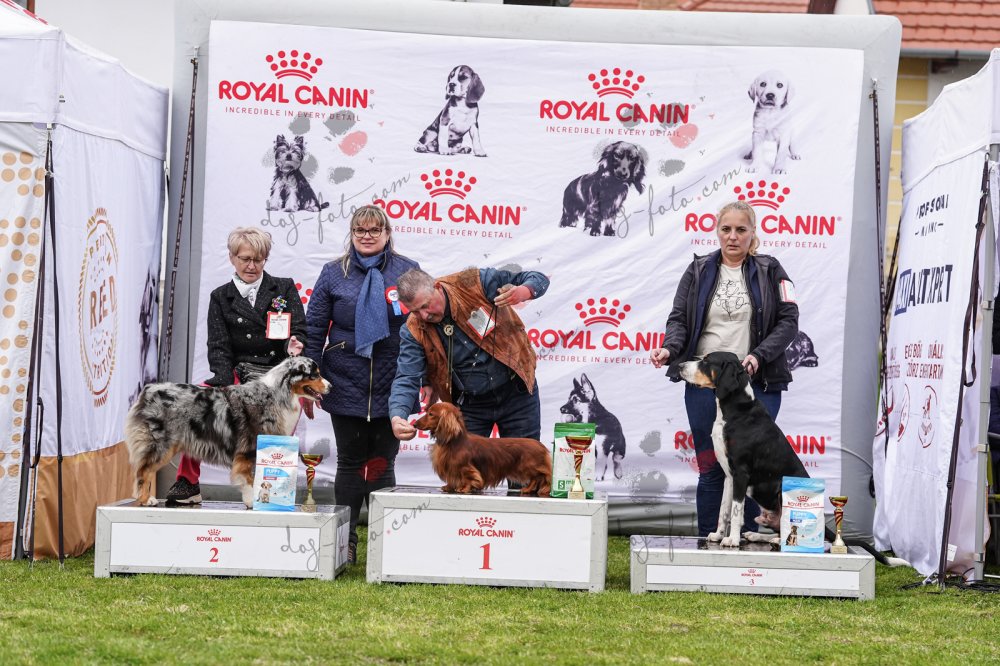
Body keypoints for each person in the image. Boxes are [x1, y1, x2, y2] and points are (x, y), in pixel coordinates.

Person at [650, 200, 798, 537]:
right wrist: (670, 348)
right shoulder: (698, 270)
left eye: (741, 230)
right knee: (711, 468)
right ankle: (709, 542)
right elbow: (679, 319)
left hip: (757, 382)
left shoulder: (771, 269)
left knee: (749, 468)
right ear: (717, 231)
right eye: (726, 229)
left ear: (753, 233)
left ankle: (745, 542)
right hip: (706, 383)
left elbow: (789, 322)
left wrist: (759, 355)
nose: (733, 236)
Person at [303, 205, 420, 565]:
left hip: (394, 379)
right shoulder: (332, 273)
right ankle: (346, 543)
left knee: (383, 463)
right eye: (360, 230)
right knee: (351, 463)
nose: (367, 236)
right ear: (351, 234)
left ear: (387, 234)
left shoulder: (408, 271)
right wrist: (309, 380)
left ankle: (385, 548)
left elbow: (424, 325)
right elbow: (314, 328)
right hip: (344, 378)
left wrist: (427, 379)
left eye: (374, 230)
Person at [165, 227, 307, 505]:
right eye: (245, 259)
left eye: (258, 259)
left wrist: (295, 343)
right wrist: (224, 383)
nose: (251, 266)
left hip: (276, 372)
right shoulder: (221, 296)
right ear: (232, 258)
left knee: (283, 416)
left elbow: (300, 329)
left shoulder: (284, 287)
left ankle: (271, 489)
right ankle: (188, 482)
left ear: (265, 259)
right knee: (197, 406)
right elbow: (218, 345)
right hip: (237, 372)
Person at [388, 267, 548, 487]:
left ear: (437, 287)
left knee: (527, 479)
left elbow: (538, 278)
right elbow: (406, 377)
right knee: (464, 480)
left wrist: (524, 291)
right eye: (415, 311)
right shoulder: (413, 329)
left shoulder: (473, 282)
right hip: (469, 405)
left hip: (516, 393)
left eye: (425, 306)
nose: (424, 316)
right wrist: (398, 416)